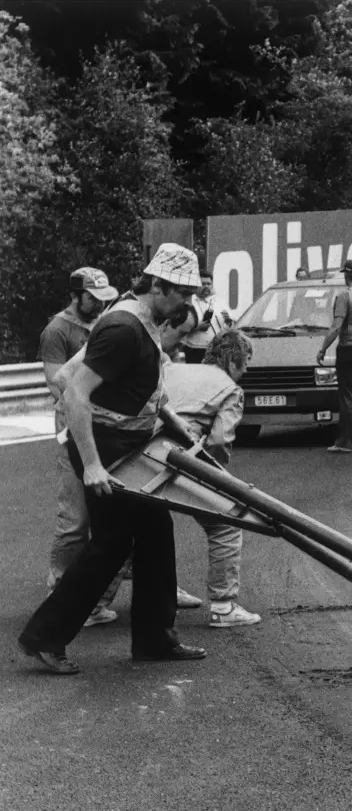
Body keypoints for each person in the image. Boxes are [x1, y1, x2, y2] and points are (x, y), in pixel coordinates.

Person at [18, 243, 207, 674]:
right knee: (110, 545)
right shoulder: (124, 328)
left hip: (126, 443)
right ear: (158, 284)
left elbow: (115, 381)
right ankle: (44, 637)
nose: (187, 304)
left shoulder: (141, 318)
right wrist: (93, 466)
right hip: (105, 447)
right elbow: (74, 392)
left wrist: (172, 419)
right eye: (183, 293)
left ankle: (155, 639)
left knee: (156, 531)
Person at [39, 267, 121, 625]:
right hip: (73, 429)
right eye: (93, 297)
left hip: (107, 427)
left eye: (105, 297)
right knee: (75, 519)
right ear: (75, 296)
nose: (100, 303)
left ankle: (97, 598)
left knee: (119, 512)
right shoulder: (57, 330)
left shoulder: (106, 322)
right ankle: (59, 594)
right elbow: (58, 386)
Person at [163, 329, 261, 627]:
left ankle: (95, 606)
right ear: (234, 361)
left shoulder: (174, 369)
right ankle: (223, 606)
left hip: (142, 451)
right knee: (226, 525)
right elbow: (218, 443)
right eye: (244, 365)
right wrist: (220, 483)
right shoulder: (230, 389)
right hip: (179, 457)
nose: (244, 372)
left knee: (134, 527)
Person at [318, 259, 352, 452]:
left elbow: (336, 327)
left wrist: (323, 348)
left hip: (348, 347)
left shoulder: (345, 296)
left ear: (346, 275)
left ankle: (344, 441)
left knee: (347, 394)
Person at [181, 270, 231, 364]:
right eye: (203, 284)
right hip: (194, 349)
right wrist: (196, 327)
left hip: (215, 349)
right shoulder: (188, 301)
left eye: (209, 284)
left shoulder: (220, 302)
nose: (206, 286)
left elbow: (230, 325)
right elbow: (180, 325)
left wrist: (229, 321)